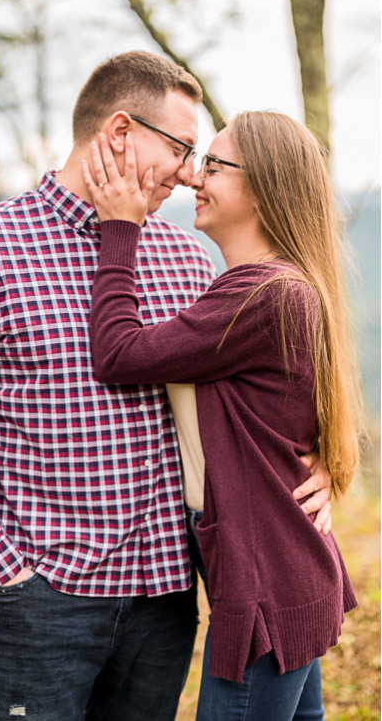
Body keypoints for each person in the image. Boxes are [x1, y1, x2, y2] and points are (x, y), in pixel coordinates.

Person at [0, 51, 335, 721]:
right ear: (119, 132)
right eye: (183, 148)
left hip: (166, 596)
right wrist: (5, 572)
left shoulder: (189, 258)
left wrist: (323, 465)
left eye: (203, 157)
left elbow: (271, 390)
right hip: (42, 601)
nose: (191, 171)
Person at [81, 112, 362, 720]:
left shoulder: (263, 295)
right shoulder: (266, 286)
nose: (194, 177)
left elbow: (118, 353)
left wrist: (120, 230)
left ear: (263, 187)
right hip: (282, 567)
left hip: (265, 584)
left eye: (213, 164)